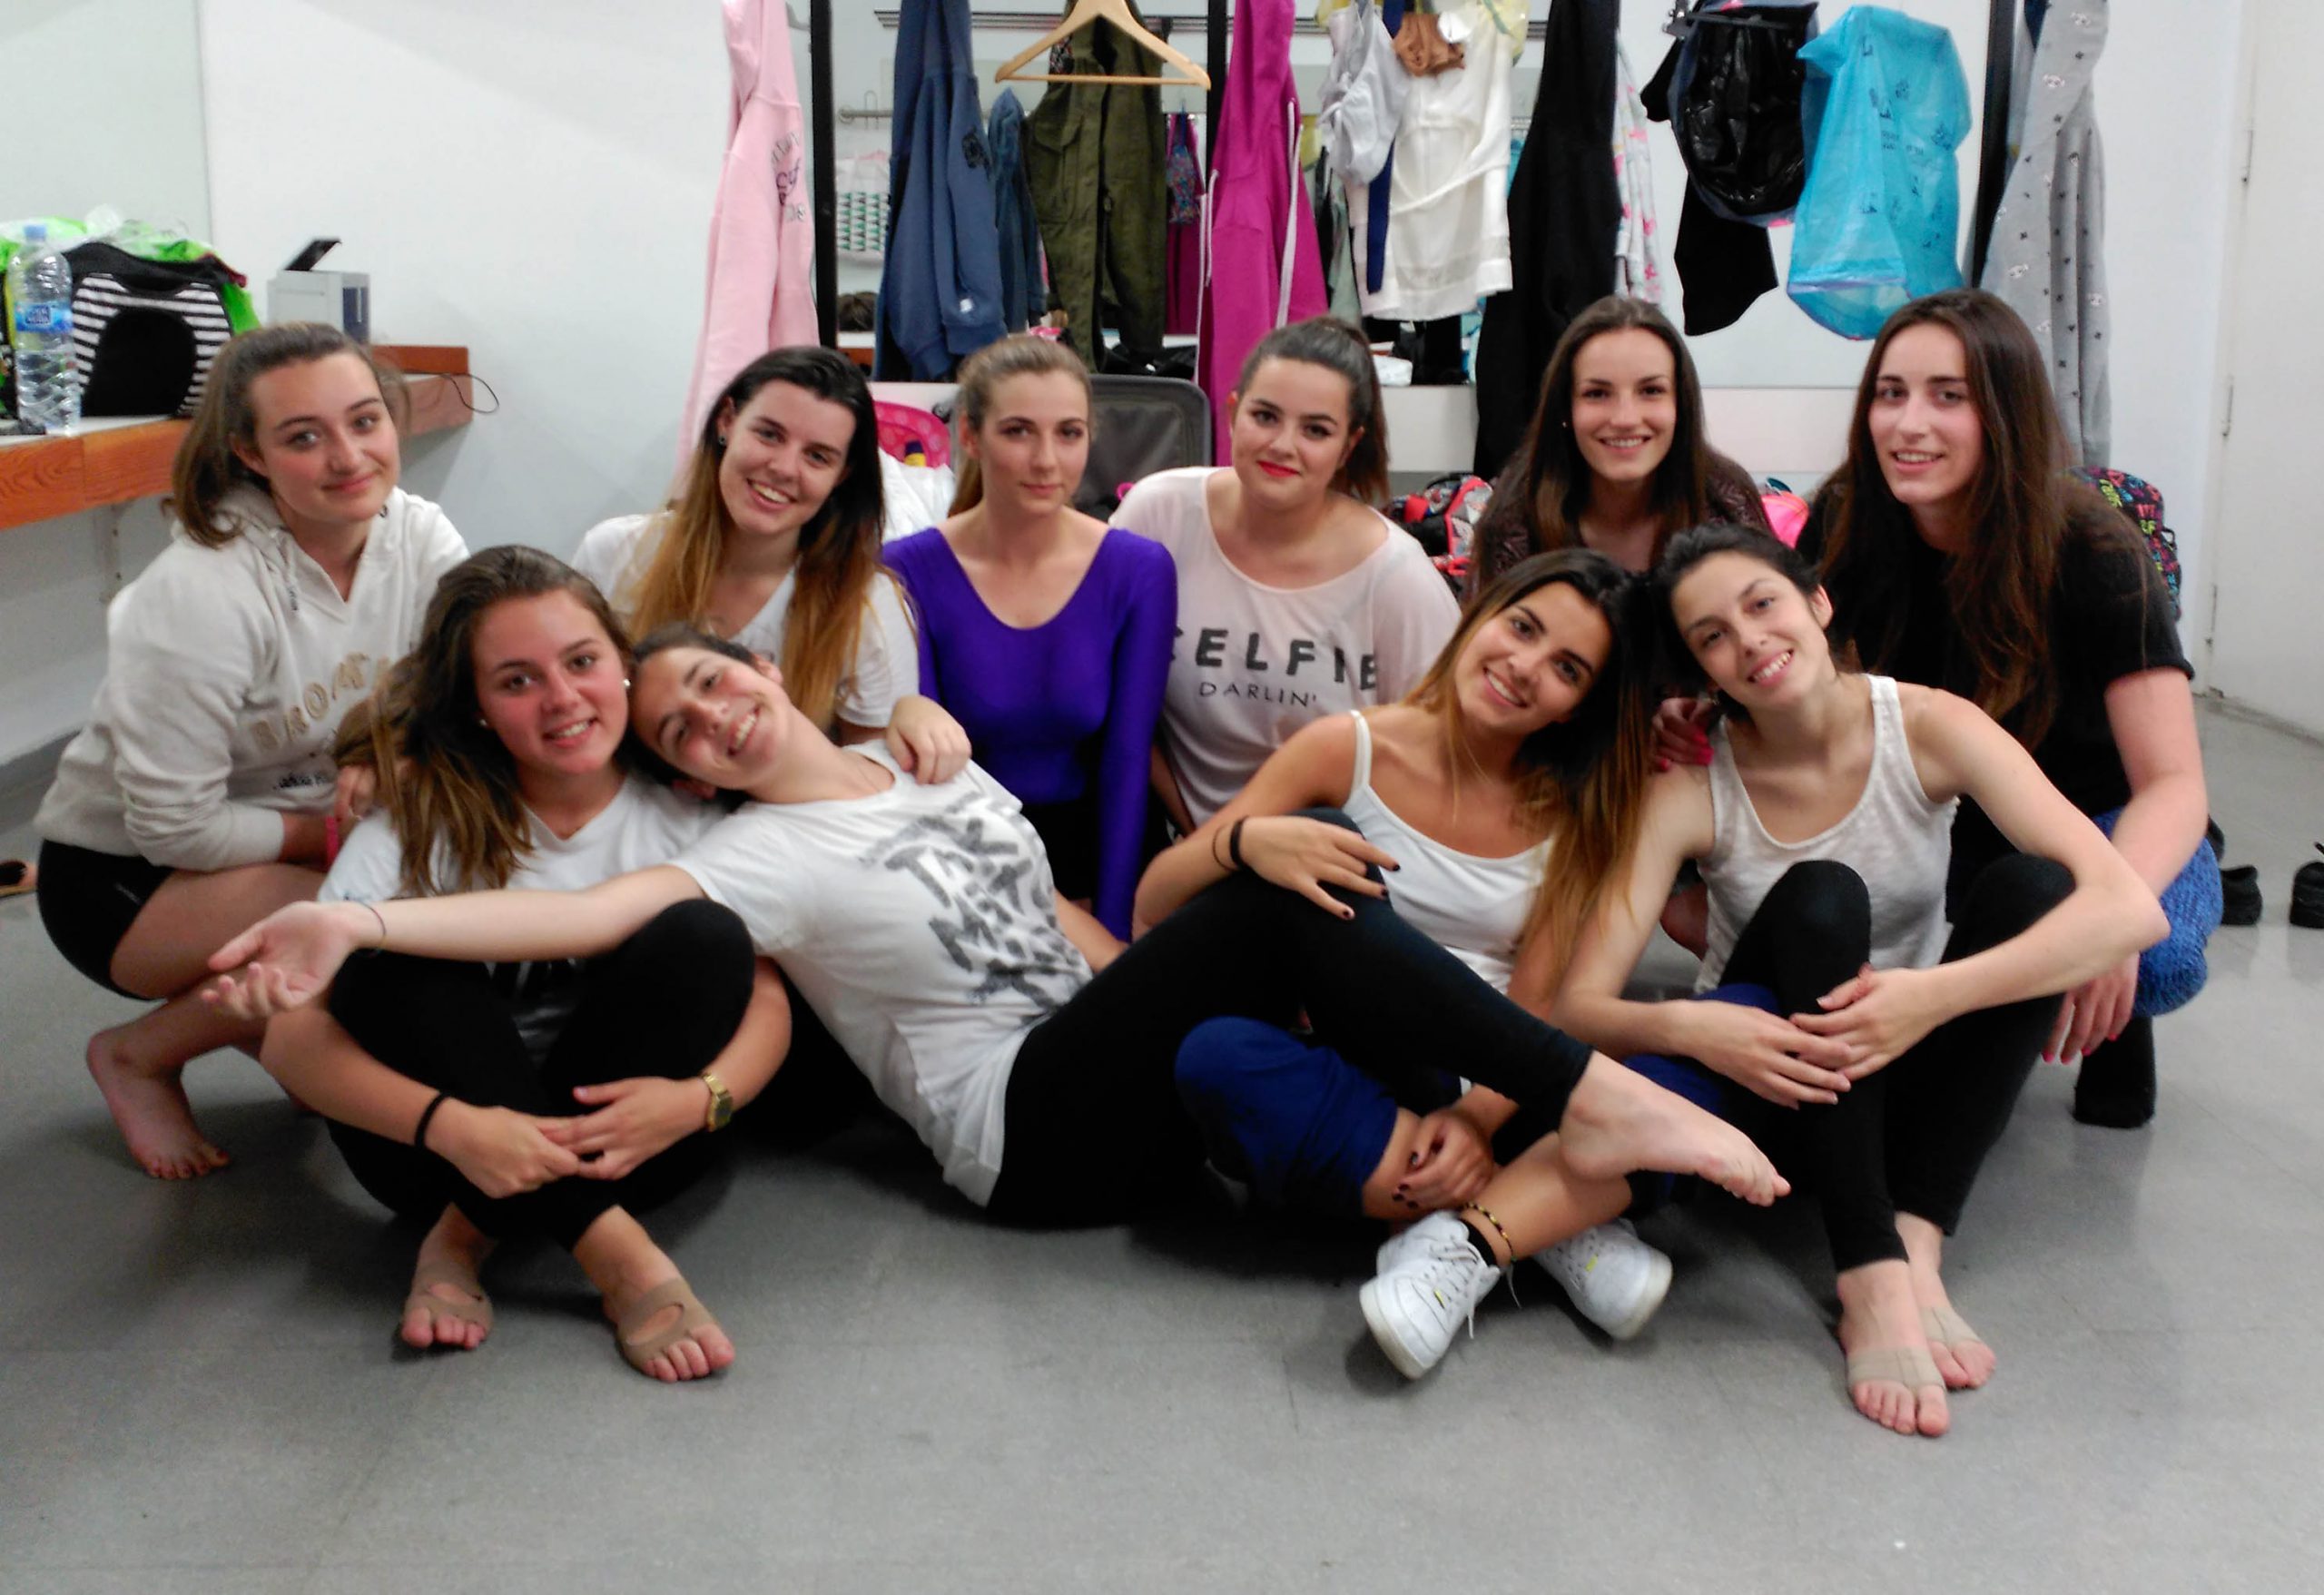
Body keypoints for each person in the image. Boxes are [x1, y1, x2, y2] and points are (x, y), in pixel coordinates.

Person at [205, 625, 1790, 1252]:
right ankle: (1591, 1095)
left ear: (767, 674)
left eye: (720, 678)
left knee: (1299, 912)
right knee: (1275, 882)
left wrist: (1198, 987)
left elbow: (1069, 925)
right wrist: (352, 910)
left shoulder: (927, 764)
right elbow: (582, 912)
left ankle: (1515, 1175)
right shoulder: (745, 854)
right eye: (683, 719)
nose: (711, 710)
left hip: (1107, 1055)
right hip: (1025, 1135)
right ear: (683, 766)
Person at [1369, 523, 2163, 1439]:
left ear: (1815, 603)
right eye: (1710, 636)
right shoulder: (1689, 790)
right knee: (1822, 896)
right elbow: (1582, 1001)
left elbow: (2125, 907)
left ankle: (1916, 1237)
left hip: (1904, 1052)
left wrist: (1929, 996)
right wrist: (1697, 1027)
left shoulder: (1930, 724)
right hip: (1771, 1080)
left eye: (1761, 604)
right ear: (1702, 674)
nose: (1746, 640)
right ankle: (1868, 1274)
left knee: (2038, 887)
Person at [261, 547, 794, 1380]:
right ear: (474, 706)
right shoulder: (418, 821)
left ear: (622, 662)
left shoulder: (691, 808)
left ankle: (463, 1238)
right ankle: (620, 1257)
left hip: (633, 1144)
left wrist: (697, 1103)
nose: (563, 699)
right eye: (516, 681)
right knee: (384, 951)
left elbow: (765, 1000)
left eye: (581, 661)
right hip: (436, 1155)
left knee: (705, 935)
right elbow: (290, 1045)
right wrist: (455, 1127)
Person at [33, 323, 468, 1178]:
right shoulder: (202, 592)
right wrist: (333, 836)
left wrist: (396, 752)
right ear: (250, 454)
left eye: (365, 420)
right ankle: (139, 1053)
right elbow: (173, 831)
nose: (349, 457)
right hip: (123, 879)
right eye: (303, 436)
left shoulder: (420, 536)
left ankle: (275, 1025)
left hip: (286, 830)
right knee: (360, 916)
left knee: (391, 905)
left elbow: (453, 694)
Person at [1787, 288, 2213, 1129]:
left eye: (1951, 396)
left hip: (2097, 820)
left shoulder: (2095, 550)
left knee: (2151, 954)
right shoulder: (1843, 525)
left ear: (2007, 410)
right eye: (1890, 393)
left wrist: (2106, 914)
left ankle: (2115, 1021)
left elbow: (2173, 783)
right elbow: (1811, 714)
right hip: (1937, 821)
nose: (1909, 424)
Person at [1139, 551, 1650, 1243]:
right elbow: (1159, 900)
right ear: (1478, 618)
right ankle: (1512, 1218)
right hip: (1354, 1054)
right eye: (1523, 628)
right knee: (1215, 1057)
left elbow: (1536, 1003)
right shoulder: (1344, 747)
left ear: (1577, 709)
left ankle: (1443, 1203)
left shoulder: (1572, 815)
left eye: (1568, 669)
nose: (1526, 666)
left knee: (1642, 1074)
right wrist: (1249, 841)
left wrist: (1475, 1121)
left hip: (1493, 1085)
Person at [1113, 316, 1461, 833]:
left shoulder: (1397, 578)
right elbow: (1113, 702)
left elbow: (1440, 757)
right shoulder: (1158, 515)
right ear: (1233, 414)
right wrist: (1200, 843)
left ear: (1348, 445)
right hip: (1174, 833)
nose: (1282, 445)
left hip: (1336, 852)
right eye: (1266, 416)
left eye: (1316, 430)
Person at [885, 335, 1176, 939]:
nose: (1047, 460)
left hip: (1100, 854)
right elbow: (930, 777)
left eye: (1068, 433)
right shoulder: (904, 571)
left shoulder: (1138, 569)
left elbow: (1127, 761)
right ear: (970, 435)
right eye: (1018, 431)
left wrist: (1114, 933)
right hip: (963, 853)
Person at [573, 345, 922, 744]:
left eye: (817, 456)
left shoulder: (867, 606)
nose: (784, 468)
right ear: (727, 421)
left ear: (842, 476)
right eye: (769, 434)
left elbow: (873, 779)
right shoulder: (612, 553)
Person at [1466, 295, 1768, 589]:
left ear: (1680, 405)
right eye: (1597, 394)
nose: (1625, 418)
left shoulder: (1726, 502)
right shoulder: (1514, 521)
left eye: (1651, 391)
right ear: (1565, 409)